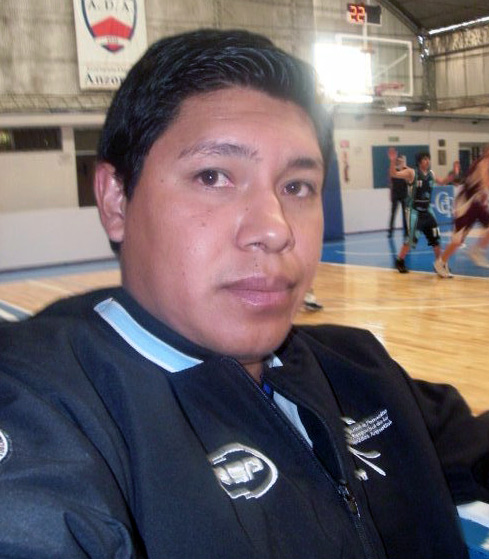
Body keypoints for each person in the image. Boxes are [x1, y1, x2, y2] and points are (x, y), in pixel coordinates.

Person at [0, 29, 488, 559]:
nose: (275, 229)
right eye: (213, 176)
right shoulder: (44, 406)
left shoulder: (358, 370)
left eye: (297, 186)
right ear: (116, 200)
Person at [388, 148, 448, 273]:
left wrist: (453, 174)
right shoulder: (411, 172)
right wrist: (393, 161)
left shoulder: (431, 174)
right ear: (419, 161)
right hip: (414, 211)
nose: (427, 161)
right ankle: (400, 260)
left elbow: (442, 182)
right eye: (425, 159)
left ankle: (439, 264)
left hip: (427, 210)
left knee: (436, 238)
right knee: (411, 239)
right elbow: (394, 174)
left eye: (428, 159)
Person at [435, 147, 489, 278]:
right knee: (457, 241)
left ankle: (476, 250)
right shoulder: (483, 162)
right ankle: (440, 263)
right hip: (464, 205)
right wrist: (484, 189)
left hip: (475, 203)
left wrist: (483, 193)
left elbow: (481, 185)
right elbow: (484, 180)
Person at [387, 154, 408, 238]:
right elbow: (390, 182)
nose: (399, 162)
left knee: (405, 214)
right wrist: (390, 193)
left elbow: (408, 180)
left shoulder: (406, 170)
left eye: (401, 160)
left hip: (404, 194)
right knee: (393, 213)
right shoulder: (393, 170)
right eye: (398, 160)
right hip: (395, 194)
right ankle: (390, 231)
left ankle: (406, 231)